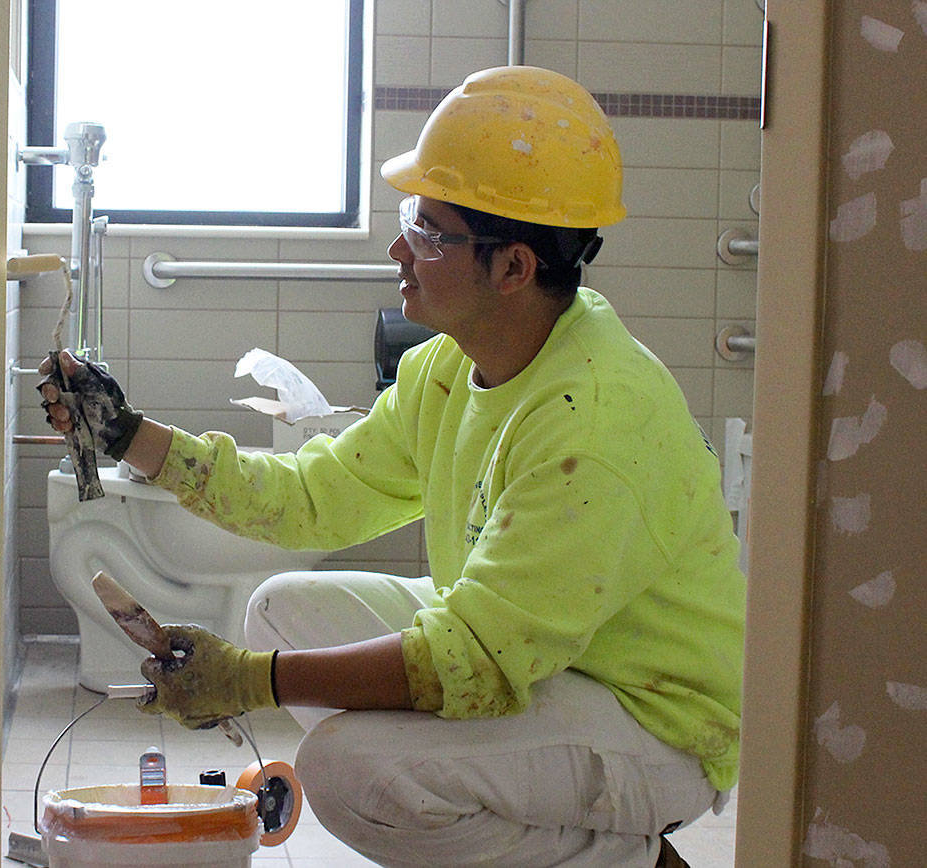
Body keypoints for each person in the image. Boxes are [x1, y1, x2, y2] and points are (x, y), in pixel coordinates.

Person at [39, 66, 743, 868]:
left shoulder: (596, 424)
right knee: (275, 611)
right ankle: (535, 819)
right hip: (547, 660)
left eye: (432, 232)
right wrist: (128, 434)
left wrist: (250, 683)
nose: (399, 248)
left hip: (654, 719)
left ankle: (632, 861)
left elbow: (470, 657)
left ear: (513, 267)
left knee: (347, 772)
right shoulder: (449, 366)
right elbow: (312, 498)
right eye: (414, 215)